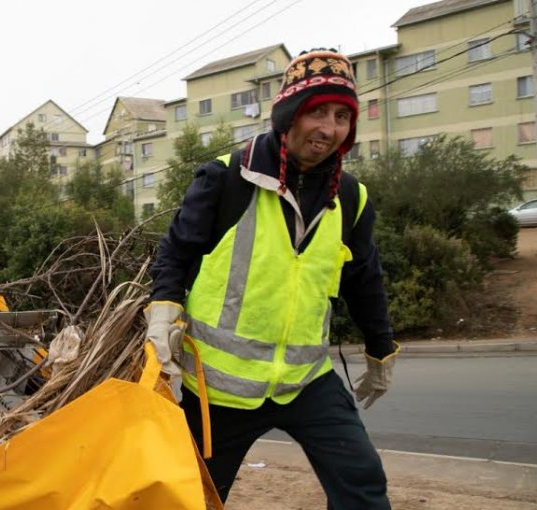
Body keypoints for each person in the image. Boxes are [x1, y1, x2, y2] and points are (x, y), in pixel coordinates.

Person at [146, 49, 398, 508]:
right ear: (287, 114)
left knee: (361, 481)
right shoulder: (226, 178)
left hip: (306, 381)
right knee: (193, 497)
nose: (329, 128)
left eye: (342, 116)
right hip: (220, 392)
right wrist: (162, 313)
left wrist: (381, 348)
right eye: (316, 111)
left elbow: (364, 279)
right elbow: (176, 252)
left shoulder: (351, 197)